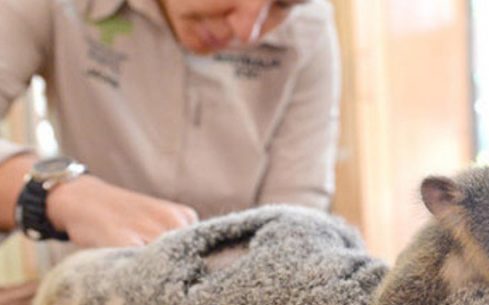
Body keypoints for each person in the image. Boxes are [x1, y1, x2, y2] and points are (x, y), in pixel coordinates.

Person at [0, 0, 339, 250]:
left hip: (233, 302)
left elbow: (296, 212)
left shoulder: (310, 28)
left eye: (283, 4)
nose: (246, 30)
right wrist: (61, 194)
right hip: (93, 295)